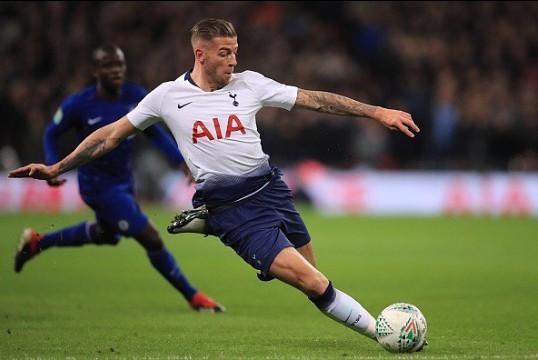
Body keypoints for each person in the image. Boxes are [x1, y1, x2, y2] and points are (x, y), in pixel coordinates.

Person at [9, 19, 421, 342]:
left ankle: (211, 226)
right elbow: (110, 135)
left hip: (271, 187)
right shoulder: (166, 96)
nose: (232, 61)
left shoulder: (250, 84)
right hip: (234, 208)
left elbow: (315, 99)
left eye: (235, 52)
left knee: (311, 272)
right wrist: (57, 167)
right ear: (200, 54)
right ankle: (384, 335)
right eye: (224, 54)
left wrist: (378, 112)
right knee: (314, 283)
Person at [13, 44, 224, 313]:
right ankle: (193, 297)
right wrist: (53, 162)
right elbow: (51, 132)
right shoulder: (79, 103)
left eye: (119, 65)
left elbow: (154, 132)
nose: (116, 71)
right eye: (108, 65)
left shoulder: (135, 95)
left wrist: (178, 159)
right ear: (95, 71)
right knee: (151, 238)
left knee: (107, 234)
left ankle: (38, 243)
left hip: (124, 181)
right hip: (97, 186)